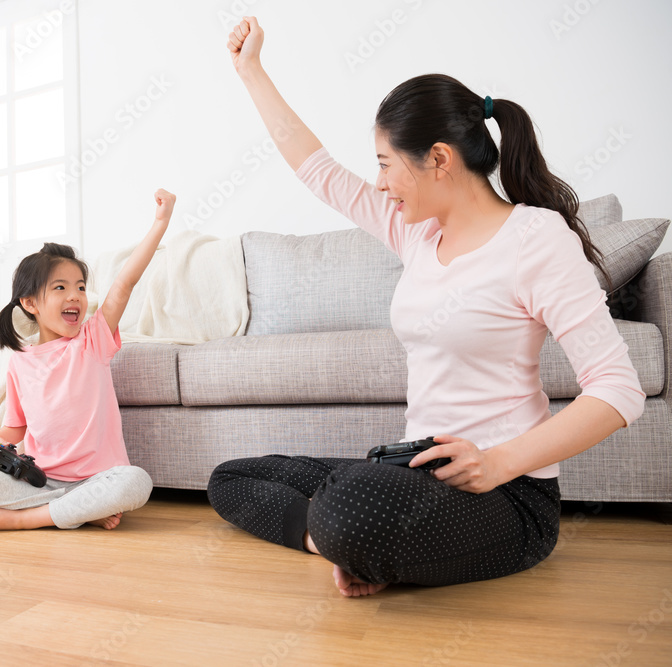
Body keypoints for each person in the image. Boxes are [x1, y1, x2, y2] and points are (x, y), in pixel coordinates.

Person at [207, 17, 645, 597]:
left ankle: (352, 533)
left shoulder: (535, 239)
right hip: (415, 469)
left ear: (438, 158)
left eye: (387, 163)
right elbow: (315, 169)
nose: (381, 183)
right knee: (231, 478)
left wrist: (497, 463)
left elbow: (618, 390)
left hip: (506, 496)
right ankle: (334, 539)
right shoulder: (417, 233)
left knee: (350, 506)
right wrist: (251, 72)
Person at [0, 189, 176, 533]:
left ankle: (21, 519)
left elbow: (124, 283)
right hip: (43, 482)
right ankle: (76, 512)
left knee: (136, 483)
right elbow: (16, 428)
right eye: (60, 288)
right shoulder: (19, 363)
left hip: (100, 479)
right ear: (30, 303)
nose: (75, 296)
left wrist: (160, 222)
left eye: (81, 288)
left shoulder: (92, 341)